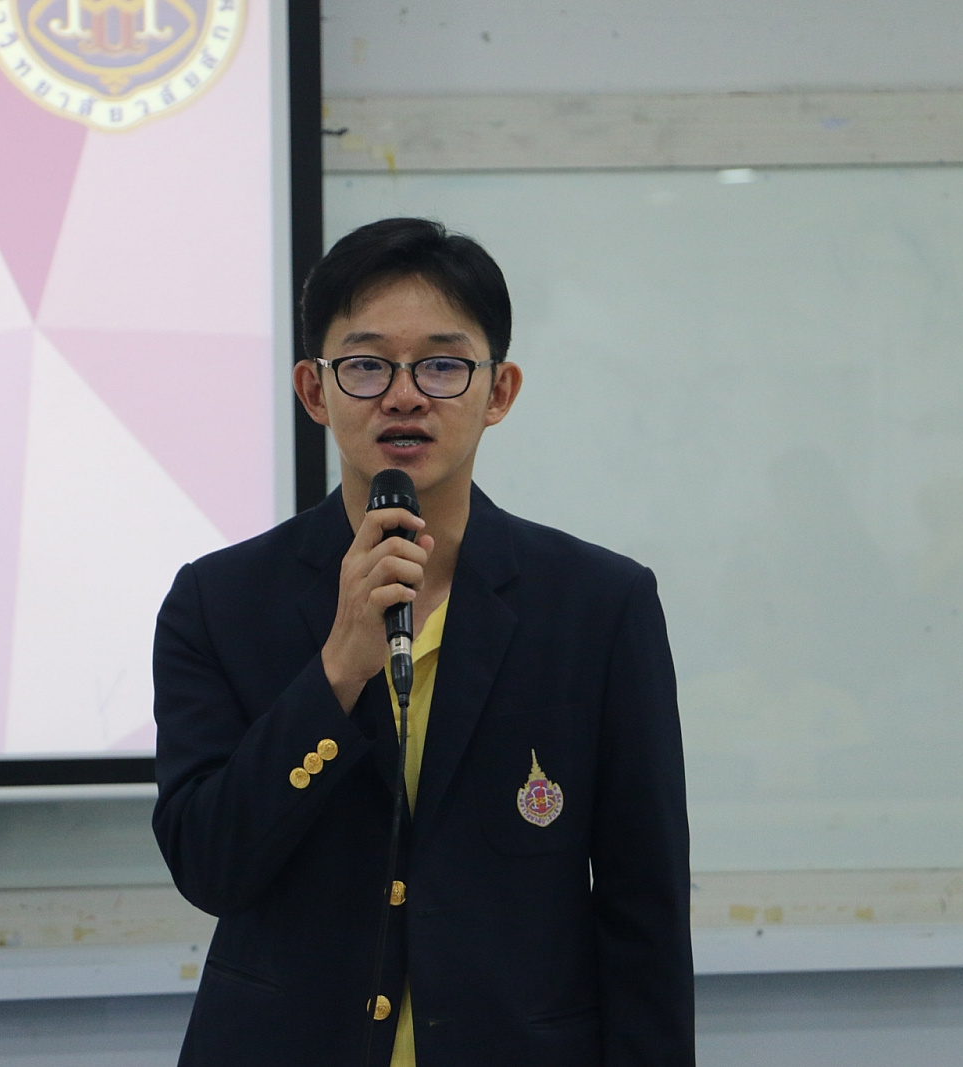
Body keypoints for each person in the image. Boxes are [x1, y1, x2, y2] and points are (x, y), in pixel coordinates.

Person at [152, 218, 693, 1066]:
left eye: (442, 365)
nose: (404, 396)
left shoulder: (598, 606)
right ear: (314, 390)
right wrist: (338, 667)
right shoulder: (218, 601)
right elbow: (210, 867)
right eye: (367, 365)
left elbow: (644, 906)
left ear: (500, 390)